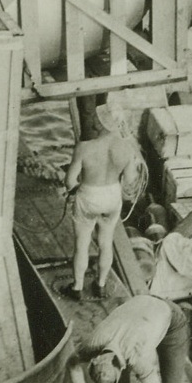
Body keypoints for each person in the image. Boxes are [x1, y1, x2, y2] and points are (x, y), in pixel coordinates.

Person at [68, 293, 191, 383]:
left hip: (172, 320)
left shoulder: (136, 357)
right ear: (95, 359)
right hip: (143, 306)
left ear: (121, 366)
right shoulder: (94, 343)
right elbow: (72, 364)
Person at [62, 101, 136, 300]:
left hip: (89, 195)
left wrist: (74, 190)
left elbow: (69, 181)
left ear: (102, 123)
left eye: (97, 117)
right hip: (112, 196)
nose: (94, 119)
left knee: (82, 244)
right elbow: (130, 180)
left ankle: (77, 287)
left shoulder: (84, 147)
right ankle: (101, 285)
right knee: (106, 242)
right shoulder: (127, 148)